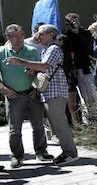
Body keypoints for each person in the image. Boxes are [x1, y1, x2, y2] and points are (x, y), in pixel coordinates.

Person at [7, 24, 79, 165]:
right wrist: (33, 70)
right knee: (56, 125)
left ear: (51, 34)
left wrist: (20, 62)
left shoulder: (53, 49)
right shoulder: (46, 49)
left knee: (60, 125)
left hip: (56, 93)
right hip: (49, 93)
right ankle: (66, 152)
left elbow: (44, 66)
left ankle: (71, 153)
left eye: (41, 33)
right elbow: (43, 68)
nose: (37, 36)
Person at [0, 24, 53, 168]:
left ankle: (41, 151)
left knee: (38, 125)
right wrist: (4, 89)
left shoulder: (32, 51)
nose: (19, 39)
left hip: (32, 93)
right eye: (15, 36)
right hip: (13, 96)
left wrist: (34, 72)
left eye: (22, 35)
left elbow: (41, 70)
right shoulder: (1, 53)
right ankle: (17, 156)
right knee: (15, 129)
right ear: (8, 37)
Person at [62, 12, 97, 121]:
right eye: (72, 19)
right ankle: (83, 119)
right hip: (73, 69)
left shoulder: (85, 33)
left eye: (76, 19)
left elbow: (87, 47)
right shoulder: (66, 35)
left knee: (90, 95)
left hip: (85, 67)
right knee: (79, 97)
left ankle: (95, 117)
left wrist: (77, 32)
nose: (74, 21)